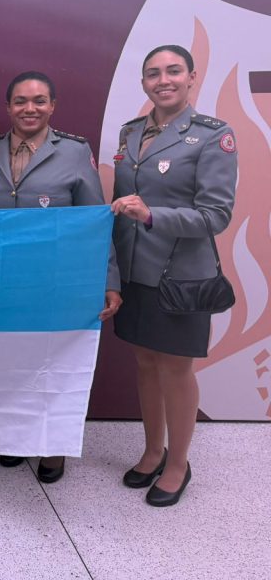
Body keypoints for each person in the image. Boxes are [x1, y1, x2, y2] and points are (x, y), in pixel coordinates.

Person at [0, 70, 121, 483]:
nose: (30, 108)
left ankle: (53, 447)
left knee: (54, 366)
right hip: (3, 282)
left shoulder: (75, 152)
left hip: (56, 282)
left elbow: (97, 221)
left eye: (39, 100)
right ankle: (16, 438)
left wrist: (108, 279)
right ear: (8, 107)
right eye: (21, 101)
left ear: (53, 106)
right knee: (9, 364)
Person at [111, 44, 237, 507]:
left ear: (191, 77)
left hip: (180, 275)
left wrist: (151, 216)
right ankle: (152, 450)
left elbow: (215, 216)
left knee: (176, 370)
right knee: (145, 364)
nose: (162, 80)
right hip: (134, 270)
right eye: (152, 73)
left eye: (172, 71)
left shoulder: (212, 135)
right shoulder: (130, 133)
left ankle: (179, 464)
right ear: (143, 82)